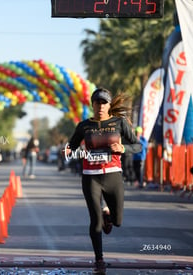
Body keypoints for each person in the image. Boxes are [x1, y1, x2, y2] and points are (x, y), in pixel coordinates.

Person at [65, 88, 141, 274]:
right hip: (91, 177)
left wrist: (122, 148)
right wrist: (68, 151)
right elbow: (71, 146)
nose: (100, 106)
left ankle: (110, 216)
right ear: (92, 104)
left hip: (113, 175)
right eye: (97, 102)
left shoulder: (119, 123)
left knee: (118, 221)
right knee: (95, 220)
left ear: (108, 105)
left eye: (104, 102)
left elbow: (137, 146)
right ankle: (99, 260)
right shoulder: (84, 126)